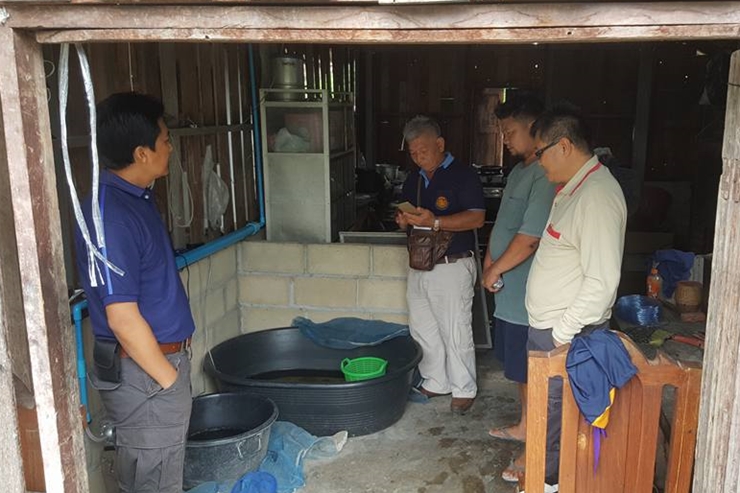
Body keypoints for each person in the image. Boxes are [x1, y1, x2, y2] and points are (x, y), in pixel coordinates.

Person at [74, 92, 196, 493]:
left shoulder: (134, 198)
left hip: (154, 371)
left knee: (160, 476)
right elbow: (122, 318)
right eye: (165, 140)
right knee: (153, 481)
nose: (170, 147)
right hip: (147, 377)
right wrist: (168, 381)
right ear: (142, 153)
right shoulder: (112, 216)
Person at [515, 105, 627, 485]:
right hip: (552, 331)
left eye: (540, 152)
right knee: (548, 418)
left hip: (566, 336)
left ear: (563, 146)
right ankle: (545, 481)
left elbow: (601, 281)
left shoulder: (597, 196)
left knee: (557, 424)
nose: (538, 161)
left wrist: (561, 334)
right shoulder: (573, 189)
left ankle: (550, 484)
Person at [395, 115, 485, 415]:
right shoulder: (413, 179)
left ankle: (464, 388)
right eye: (413, 152)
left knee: (455, 328)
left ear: (440, 144)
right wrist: (404, 220)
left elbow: (477, 218)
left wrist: (434, 221)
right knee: (423, 327)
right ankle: (436, 380)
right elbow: (407, 217)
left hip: (452, 264)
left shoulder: (463, 175)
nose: (418, 157)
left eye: (423, 150)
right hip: (420, 263)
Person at [482, 93, 555, 451]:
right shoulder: (518, 172)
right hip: (508, 294)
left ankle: (538, 441)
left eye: (510, 132)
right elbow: (504, 225)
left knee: (531, 368)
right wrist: (489, 262)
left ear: (533, 127)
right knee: (518, 368)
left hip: (526, 296)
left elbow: (530, 239)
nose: (506, 139)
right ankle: (527, 425)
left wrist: (494, 268)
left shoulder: (544, 175)